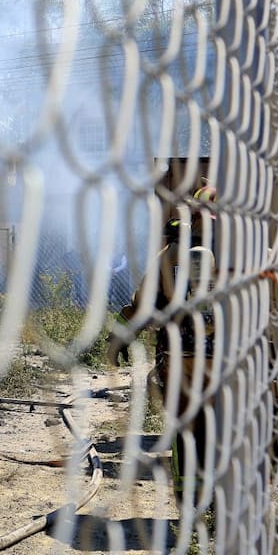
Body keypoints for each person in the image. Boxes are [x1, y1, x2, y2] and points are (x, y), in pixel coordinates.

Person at [107, 187, 217, 498]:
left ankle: (190, 491)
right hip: (225, 353)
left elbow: (141, 304)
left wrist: (119, 337)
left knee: (184, 422)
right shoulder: (237, 249)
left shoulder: (168, 255)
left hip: (180, 352)